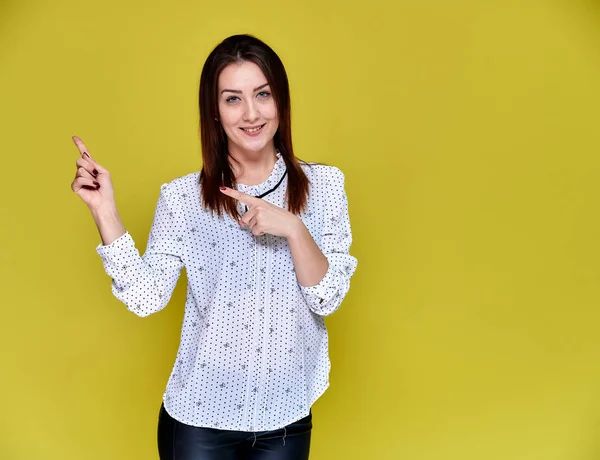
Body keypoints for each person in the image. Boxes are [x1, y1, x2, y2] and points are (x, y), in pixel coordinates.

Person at [70, 34, 358, 460]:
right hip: (199, 420)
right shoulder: (183, 199)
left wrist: (295, 229)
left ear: (281, 100)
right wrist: (104, 211)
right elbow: (147, 299)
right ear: (214, 111)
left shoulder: (325, 187)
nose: (251, 113)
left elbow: (328, 298)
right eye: (232, 99)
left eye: (263, 94)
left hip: (287, 419)